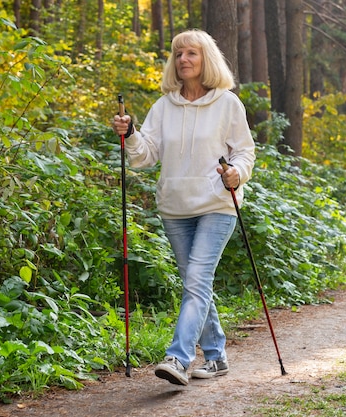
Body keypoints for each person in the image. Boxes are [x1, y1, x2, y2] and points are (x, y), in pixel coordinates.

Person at [111, 29, 255, 386]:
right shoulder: (164, 106)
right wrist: (129, 135)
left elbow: (245, 152)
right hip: (175, 206)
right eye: (178, 54)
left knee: (196, 279)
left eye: (191, 53)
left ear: (206, 59)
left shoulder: (228, 103)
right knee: (195, 282)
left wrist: (237, 173)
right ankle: (217, 356)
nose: (183, 60)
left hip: (217, 203)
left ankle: (178, 357)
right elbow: (146, 155)